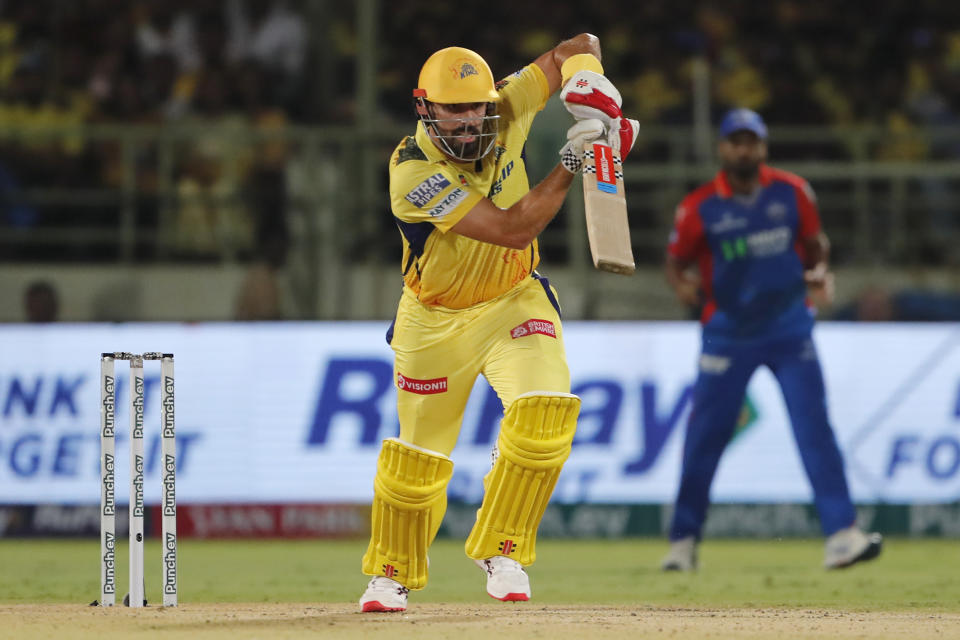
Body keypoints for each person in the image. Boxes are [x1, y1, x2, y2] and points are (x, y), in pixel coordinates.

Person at [358, 35, 639, 612]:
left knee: (544, 414)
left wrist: (587, 82)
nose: (468, 121)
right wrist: (572, 163)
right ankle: (391, 574)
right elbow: (512, 228)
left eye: (476, 107)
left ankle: (502, 546)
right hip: (434, 320)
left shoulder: (506, 105)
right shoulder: (411, 173)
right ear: (424, 107)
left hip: (515, 299)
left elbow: (575, 47)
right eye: (453, 109)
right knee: (419, 461)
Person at [661, 108, 882, 572]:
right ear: (723, 148)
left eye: (752, 142)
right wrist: (683, 287)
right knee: (706, 438)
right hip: (727, 333)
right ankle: (682, 542)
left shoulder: (792, 191)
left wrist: (820, 273)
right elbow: (676, 262)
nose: (745, 150)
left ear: (763, 146)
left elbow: (816, 244)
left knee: (814, 429)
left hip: (788, 328)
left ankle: (843, 536)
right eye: (736, 142)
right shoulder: (700, 206)